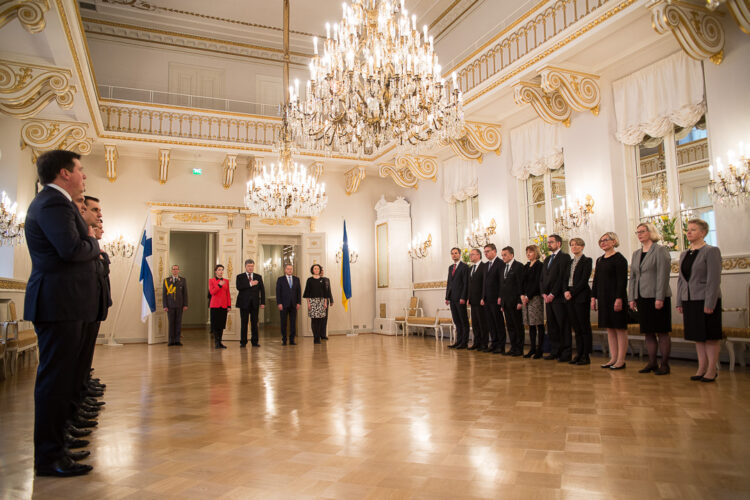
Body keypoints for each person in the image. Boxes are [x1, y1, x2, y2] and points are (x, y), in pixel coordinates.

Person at [24, 150, 99, 477]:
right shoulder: (53, 203)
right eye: (80, 170)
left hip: (64, 301)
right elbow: (71, 249)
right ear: (64, 174)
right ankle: (50, 456)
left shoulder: (56, 203)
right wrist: (95, 244)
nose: (84, 176)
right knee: (55, 381)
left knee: (62, 378)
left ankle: (59, 444)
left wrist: (89, 244)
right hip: (58, 302)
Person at [677, 219, 722, 382]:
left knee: (710, 336)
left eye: (693, 230)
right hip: (690, 299)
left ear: (703, 233)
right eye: (688, 230)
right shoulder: (684, 254)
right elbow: (681, 280)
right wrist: (680, 301)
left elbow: (714, 280)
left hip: (706, 300)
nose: (688, 232)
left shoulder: (711, 251)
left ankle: (711, 369)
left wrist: (710, 303)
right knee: (698, 336)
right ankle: (701, 367)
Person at [629, 223, 672, 375]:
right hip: (642, 297)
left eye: (642, 231)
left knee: (662, 332)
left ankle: (665, 364)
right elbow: (633, 277)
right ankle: (652, 362)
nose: (639, 234)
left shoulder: (660, 250)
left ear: (651, 232)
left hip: (658, 297)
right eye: (637, 232)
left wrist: (659, 297)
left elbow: (663, 275)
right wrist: (632, 297)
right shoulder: (636, 253)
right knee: (648, 332)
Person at [591, 232, 629, 370]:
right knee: (610, 329)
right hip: (603, 298)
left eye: (606, 240)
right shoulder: (600, 260)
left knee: (619, 329)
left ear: (614, 242)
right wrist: (593, 297)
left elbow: (621, 281)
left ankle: (621, 359)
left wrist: (619, 298)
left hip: (616, 298)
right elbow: (596, 281)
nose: (603, 242)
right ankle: (613, 357)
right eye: (601, 241)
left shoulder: (619, 259)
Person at [540, 234, 572, 361]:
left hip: (558, 297)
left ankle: (566, 352)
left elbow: (562, 277)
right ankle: (555, 350)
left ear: (559, 243)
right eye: (548, 242)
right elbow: (542, 278)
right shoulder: (547, 259)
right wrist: (543, 293)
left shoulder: (564, 257)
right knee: (552, 325)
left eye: (551, 242)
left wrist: (553, 293)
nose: (549, 244)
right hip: (547, 298)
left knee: (562, 325)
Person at [564, 237, 593, 365]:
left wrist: (572, 292)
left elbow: (583, 280)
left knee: (583, 326)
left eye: (576, 245)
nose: (574, 247)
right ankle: (579, 353)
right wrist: (565, 291)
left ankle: (586, 355)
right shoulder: (570, 262)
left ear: (582, 247)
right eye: (572, 245)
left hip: (581, 295)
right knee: (575, 326)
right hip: (569, 295)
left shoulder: (587, 260)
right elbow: (565, 278)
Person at [499, 246, 525, 356]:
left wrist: (520, 301)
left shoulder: (518, 266)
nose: (503, 257)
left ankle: (519, 349)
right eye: (502, 255)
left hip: (515, 302)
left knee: (517, 326)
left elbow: (521, 285)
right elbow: (502, 286)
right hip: (506, 302)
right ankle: (513, 347)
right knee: (510, 326)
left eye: (505, 255)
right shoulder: (504, 267)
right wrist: (502, 302)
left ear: (512, 255)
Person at [481, 243, 506, 353]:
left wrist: (500, 296)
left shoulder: (500, 263)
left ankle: (501, 345)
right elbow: (484, 283)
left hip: (496, 298)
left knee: (498, 322)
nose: (485, 253)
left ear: (494, 251)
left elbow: (501, 282)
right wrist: (482, 297)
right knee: (490, 322)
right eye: (484, 252)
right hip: (487, 299)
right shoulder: (486, 265)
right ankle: (494, 343)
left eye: (487, 251)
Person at [521, 245, 545, 358]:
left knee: (538, 323)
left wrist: (528, 296)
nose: (528, 254)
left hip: (535, 297)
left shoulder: (540, 265)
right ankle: (532, 348)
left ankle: (540, 349)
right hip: (525, 298)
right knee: (530, 324)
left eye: (530, 252)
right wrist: (522, 295)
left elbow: (537, 282)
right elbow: (522, 282)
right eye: (527, 252)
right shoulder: (526, 266)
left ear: (536, 253)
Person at [236, 259, 265, 347]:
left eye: (252, 266)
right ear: (245, 266)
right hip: (244, 304)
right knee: (244, 323)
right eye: (249, 266)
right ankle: (243, 342)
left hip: (255, 304)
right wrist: (250, 284)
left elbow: (262, 290)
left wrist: (262, 302)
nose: (250, 268)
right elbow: (239, 287)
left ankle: (255, 342)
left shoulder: (258, 276)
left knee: (254, 323)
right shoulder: (240, 276)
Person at [445, 247, 470, 348]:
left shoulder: (464, 267)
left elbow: (465, 284)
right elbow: (449, 283)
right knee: (456, 321)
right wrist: (447, 297)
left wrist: (463, 297)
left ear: (459, 254)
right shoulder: (451, 267)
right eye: (452, 253)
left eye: (455, 253)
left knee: (463, 320)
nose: (454, 255)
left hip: (460, 298)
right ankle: (458, 341)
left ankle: (464, 342)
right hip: (452, 298)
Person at [467, 249, 488, 351]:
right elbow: (469, 285)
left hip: (481, 299)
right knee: (475, 323)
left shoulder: (484, 266)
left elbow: (484, 284)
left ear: (479, 255)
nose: (470, 256)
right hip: (473, 300)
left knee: (482, 322)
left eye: (472, 254)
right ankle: (477, 342)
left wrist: (483, 297)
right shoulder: (471, 268)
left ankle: (484, 344)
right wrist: (468, 298)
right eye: (470, 255)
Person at [303, 264, 330, 344]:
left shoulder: (323, 280)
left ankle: (319, 336)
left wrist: (325, 303)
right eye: (315, 268)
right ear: (312, 270)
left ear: (320, 270)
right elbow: (307, 292)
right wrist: (308, 303)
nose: (316, 270)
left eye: (318, 269)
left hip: (321, 301)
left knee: (320, 320)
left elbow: (325, 293)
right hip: (312, 301)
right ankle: (316, 337)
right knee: (314, 320)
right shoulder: (309, 280)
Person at [276, 263, 302, 345]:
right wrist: (279, 303)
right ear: (285, 270)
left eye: (291, 269)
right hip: (283, 304)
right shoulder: (280, 279)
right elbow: (278, 292)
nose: (290, 270)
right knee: (283, 323)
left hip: (294, 304)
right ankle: (284, 339)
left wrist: (298, 302)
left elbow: (299, 292)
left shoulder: (297, 279)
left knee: (293, 322)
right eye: (288, 269)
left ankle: (292, 340)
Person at [163, 264, 188, 346]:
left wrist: (185, 304)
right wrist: (165, 305)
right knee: (171, 323)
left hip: (179, 305)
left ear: (179, 270)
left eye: (176, 269)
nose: (175, 271)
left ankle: (177, 340)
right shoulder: (167, 281)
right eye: (173, 269)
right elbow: (164, 294)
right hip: (170, 306)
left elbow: (185, 293)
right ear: (171, 270)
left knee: (178, 323)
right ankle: (171, 340)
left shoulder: (182, 280)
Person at [209, 264, 231, 349]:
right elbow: (212, 292)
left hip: (224, 305)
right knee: (215, 325)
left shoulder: (226, 281)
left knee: (222, 325)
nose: (221, 271)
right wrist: (219, 285)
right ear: (215, 271)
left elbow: (228, 294)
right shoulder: (211, 280)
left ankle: (220, 342)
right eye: (219, 270)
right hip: (214, 305)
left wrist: (229, 305)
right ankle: (216, 342)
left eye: (222, 270)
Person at [319, 268, 333, 340]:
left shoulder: (327, 279)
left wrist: (331, 300)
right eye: (320, 271)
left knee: (325, 318)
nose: (322, 272)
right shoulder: (315, 279)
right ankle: (317, 335)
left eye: (322, 271)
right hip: (318, 302)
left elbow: (329, 290)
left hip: (326, 301)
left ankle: (323, 335)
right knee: (319, 319)